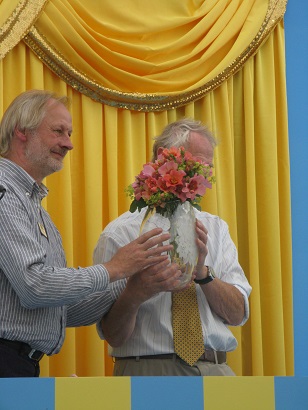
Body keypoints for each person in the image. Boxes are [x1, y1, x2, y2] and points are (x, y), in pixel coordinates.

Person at [0, 89, 181, 378]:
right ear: (22, 131)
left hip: (20, 365)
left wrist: (135, 282)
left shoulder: (35, 208)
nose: (69, 144)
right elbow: (35, 286)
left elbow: (60, 311)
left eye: (69, 133)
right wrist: (114, 268)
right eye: (58, 131)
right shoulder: (4, 192)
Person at [93, 118, 252, 376]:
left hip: (216, 371)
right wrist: (136, 292)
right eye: (197, 163)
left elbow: (237, 314)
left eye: (208, 167)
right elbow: (113, 335)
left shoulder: (216, 228)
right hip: (148, 371)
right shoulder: (120, 233)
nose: (204, 175)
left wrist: (203, 274)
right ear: (162, 157)